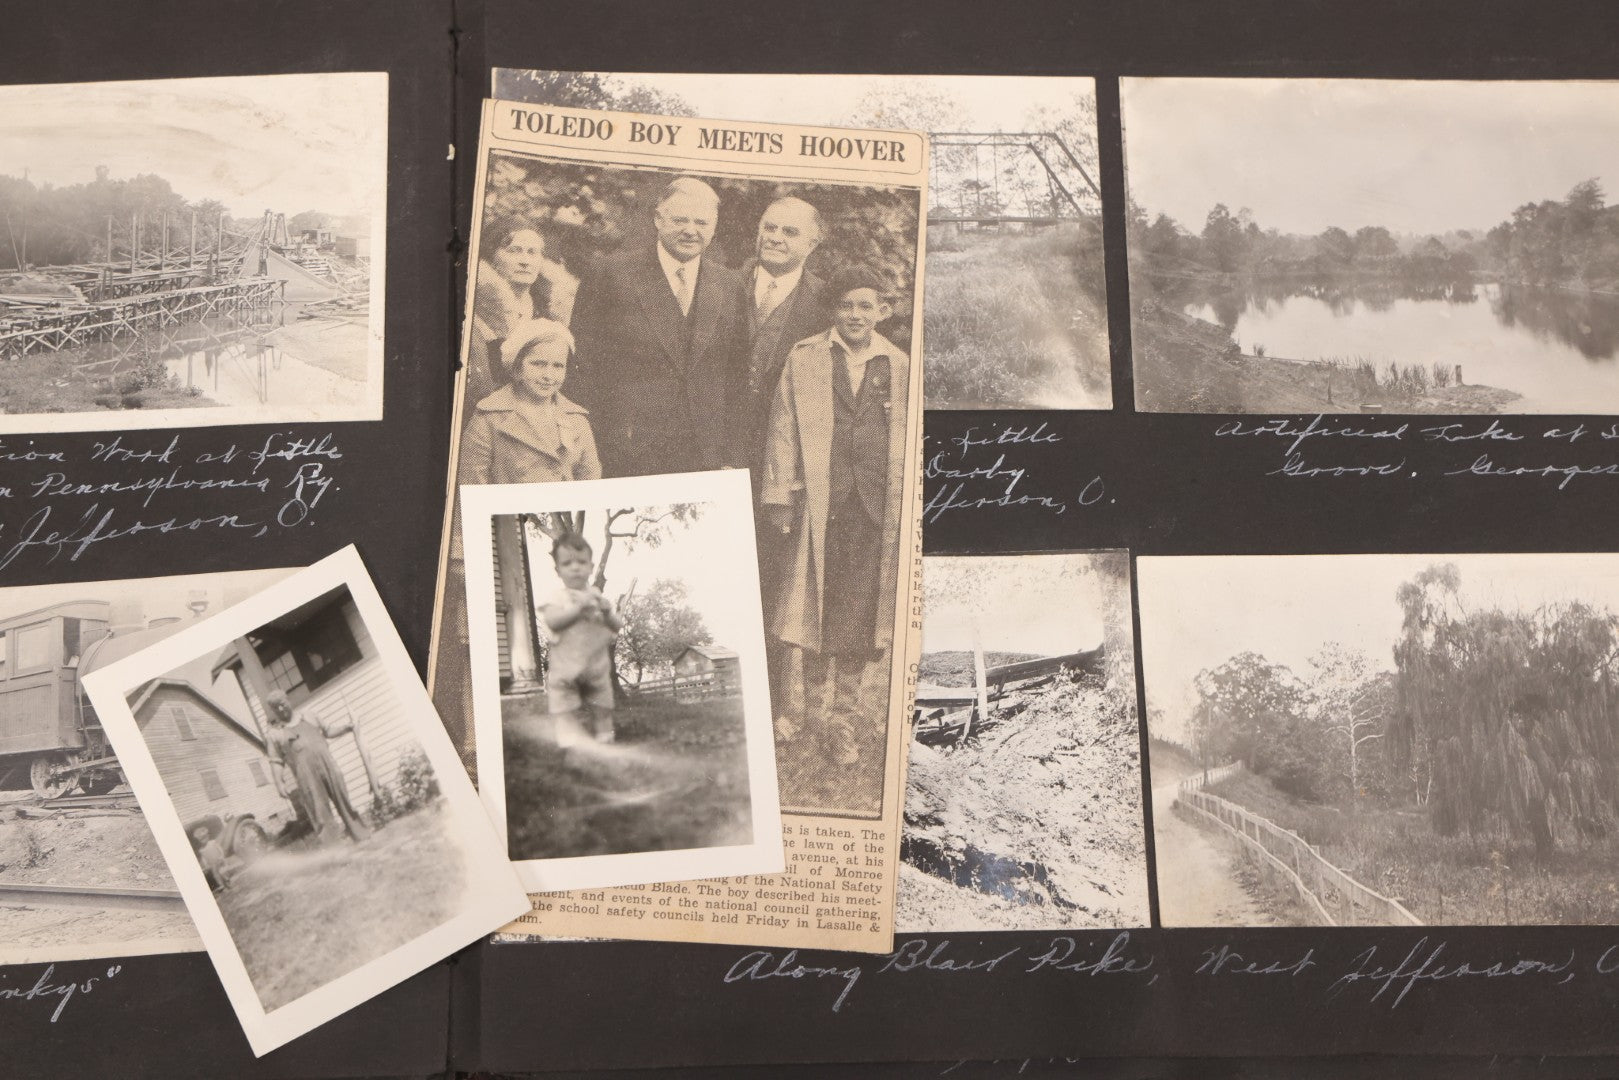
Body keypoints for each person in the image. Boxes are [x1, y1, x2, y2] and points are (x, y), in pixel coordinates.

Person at [760, 266, 910, 766]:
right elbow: (783, 426)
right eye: (846, 306)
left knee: (862, 615)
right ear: (834, 310)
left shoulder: (900, 365)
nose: (855, 315)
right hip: (820, 506)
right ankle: (806, 716)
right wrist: (781, 495)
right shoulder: (806, 357)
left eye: (865, 306)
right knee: (813, 611)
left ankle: (844, 719)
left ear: (881, 311)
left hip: (876, 509)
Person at [566, 176, 747, 477]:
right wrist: (588, 446)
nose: (691, 231)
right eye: (680, 220)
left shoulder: (730, 285)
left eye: (701, 223)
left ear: (714, 228)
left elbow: (736, 377)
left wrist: (730, 455)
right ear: (658, 220)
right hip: (626, 450)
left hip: (703, 456)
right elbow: (581, 367)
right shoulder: (611, 274)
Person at [734, 197, 829, 721]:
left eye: (789, 232)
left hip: (781, 467)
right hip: (713, 452)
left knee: (772, 578)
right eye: (768, 226)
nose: (775, 238)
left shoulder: (823, 305)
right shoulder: (721, 284)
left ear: (812, 243)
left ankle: (769, 709)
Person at [459, 319, 601, 485]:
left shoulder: (577, 420)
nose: (548, 375)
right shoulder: (489, 418)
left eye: (558, 366)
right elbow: (471, 491)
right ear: (517, 367)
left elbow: (590, 485)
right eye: (538, 364)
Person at [538, 533, 623, 746]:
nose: (575, 567)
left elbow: (616, 626)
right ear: (558, 570)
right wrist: (577, 609)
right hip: (566, 666)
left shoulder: (596, 595)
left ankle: (605, 737)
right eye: (567, 563)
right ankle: (570, 742)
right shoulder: (557, 597)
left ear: (591, 567)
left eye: (581, 562)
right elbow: (553, 620)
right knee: (564, 706)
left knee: (602, 705)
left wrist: (607, 612)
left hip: (595, 665)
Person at [467, 219, 554, 409]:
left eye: (532, 253)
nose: (525, 261)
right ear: (491, 258)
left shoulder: (546, 317)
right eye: (514, 251)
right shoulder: (475, 314)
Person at [264, 690, 372, 843]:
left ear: (288, 700)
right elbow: (276, 761)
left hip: (329, 767)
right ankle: (335, 851)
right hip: (306, 777)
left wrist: (347, 727)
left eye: (282, 704)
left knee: (344, 801)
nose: (281, 710)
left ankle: (361, 835)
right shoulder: (274, 734)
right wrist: (279, 783)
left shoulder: (309, 716)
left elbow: (328, 731)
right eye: (276, 708)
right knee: (321, 815)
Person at [193, 824, 232, 892]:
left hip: (219, 859)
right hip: (213, 864)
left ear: (208, 836)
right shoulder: (201, 850)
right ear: (199, 841)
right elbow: (204, 858)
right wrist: (206, 865)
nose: (204, 840)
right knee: (216, 874)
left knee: (222, 871)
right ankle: (222, 885)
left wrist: (221, 856)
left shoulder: (212, 842)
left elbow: (219, 849)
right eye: (202, 839)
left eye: (205, 838)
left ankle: (227, 880)